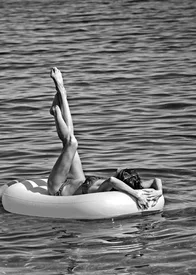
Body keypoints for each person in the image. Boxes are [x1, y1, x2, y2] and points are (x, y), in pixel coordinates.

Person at [47, 67, 162, 209]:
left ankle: (57, 109)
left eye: (120, 171)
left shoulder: (107, 187)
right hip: (77, 179)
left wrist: (137, 196)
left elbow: (112, 180)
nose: (118, 168)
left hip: (57, 188)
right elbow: (156, 180)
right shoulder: (132, 184)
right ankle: (61, 95)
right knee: (70, 140)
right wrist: (159, 192)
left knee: (71, 143)